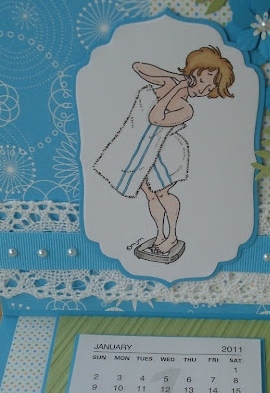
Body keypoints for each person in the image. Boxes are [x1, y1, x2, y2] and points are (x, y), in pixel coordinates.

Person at [94, 45, 235, 258]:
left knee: (162, 193)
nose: (202, 89)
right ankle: (160, 235)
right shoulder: (168, 82)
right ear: (193, 72)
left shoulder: (186, 109)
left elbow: (155, 117)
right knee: (150, 195)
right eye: (202, 80)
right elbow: (138, 67)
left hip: (164, 152)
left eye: (209, 88)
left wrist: (178, 89)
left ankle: (173, 236)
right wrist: (176, 79)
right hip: (140, 150)